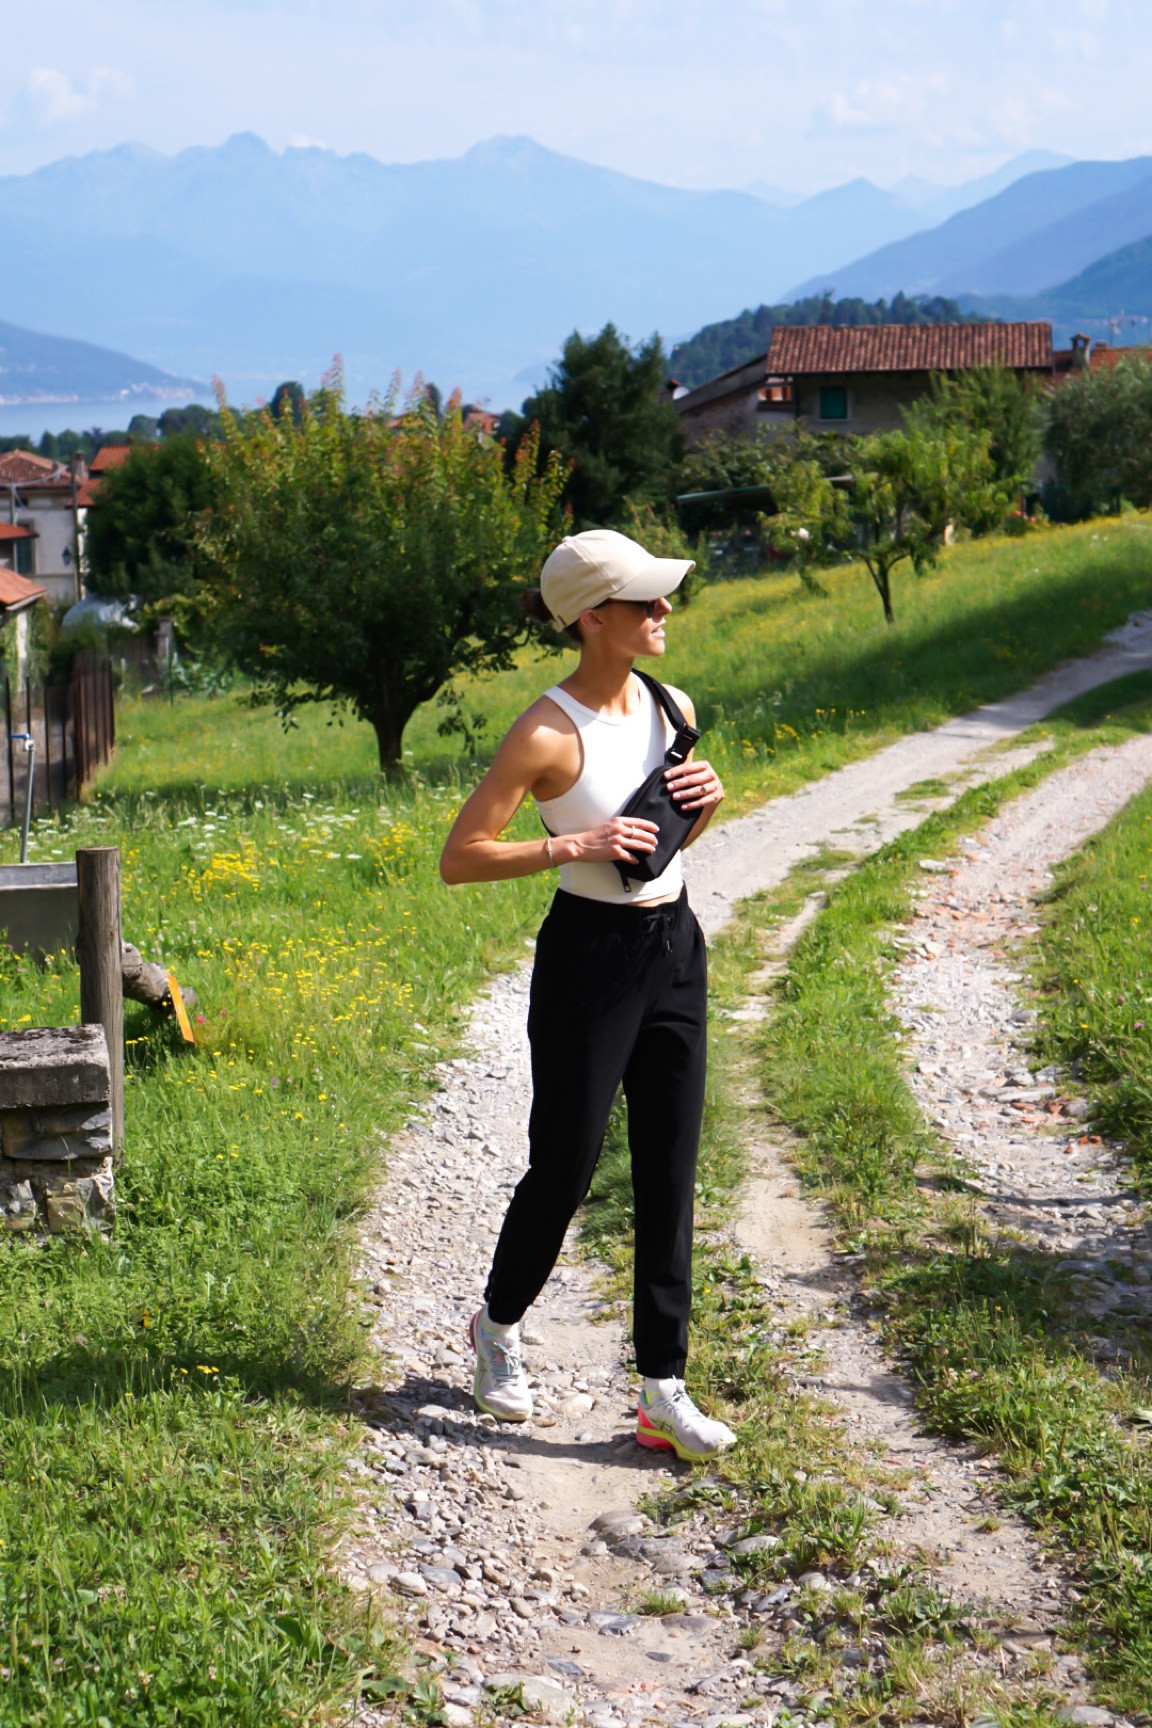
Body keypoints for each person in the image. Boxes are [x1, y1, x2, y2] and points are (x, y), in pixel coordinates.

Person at [439, 528, 736, 1463]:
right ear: (593, 617)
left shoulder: (670, 703)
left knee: (669, 1169)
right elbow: (460, 858)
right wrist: (572, 843)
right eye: (646, 601)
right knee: (565, 1164)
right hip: (588, 960)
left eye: (663, 597)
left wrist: (709, 800)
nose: (664, 611)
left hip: (674, 947)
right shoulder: (545, 731)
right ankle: (498, 1325)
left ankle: (662, 1389)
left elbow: (667, 835)